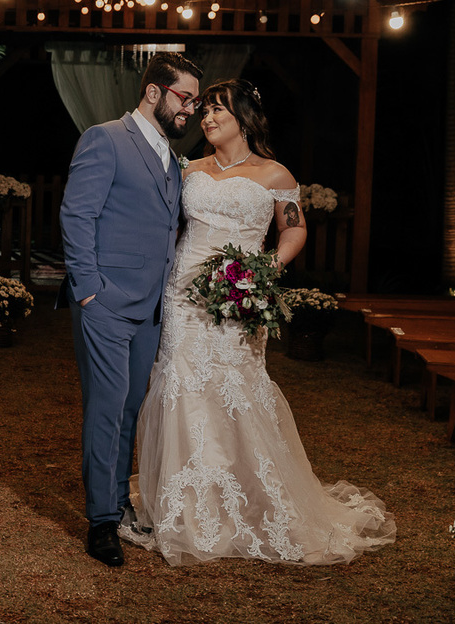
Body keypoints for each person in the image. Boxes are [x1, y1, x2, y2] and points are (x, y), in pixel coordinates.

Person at [120, 78, 396, 565]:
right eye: (204, 112)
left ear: (244, 118)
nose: (206, 119)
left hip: (240, 295)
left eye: (218, 111)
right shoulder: (189, 169)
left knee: (236, 387)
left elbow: (295, 228)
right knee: (180, 385)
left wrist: (263, 270)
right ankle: (185, 505)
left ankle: (247, 498)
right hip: (183, 295)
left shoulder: (273, 174)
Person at [59, 51, 204, 567]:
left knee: (129, 409)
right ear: (153, 92)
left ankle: (119, 502)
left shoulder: (169, 155)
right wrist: (90, 290)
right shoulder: (105, 138)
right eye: (185, 98)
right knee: (106, 405)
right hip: (106, 303)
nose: (191, 110)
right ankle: (101, 522)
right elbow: (77, 215)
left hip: (151, 308)